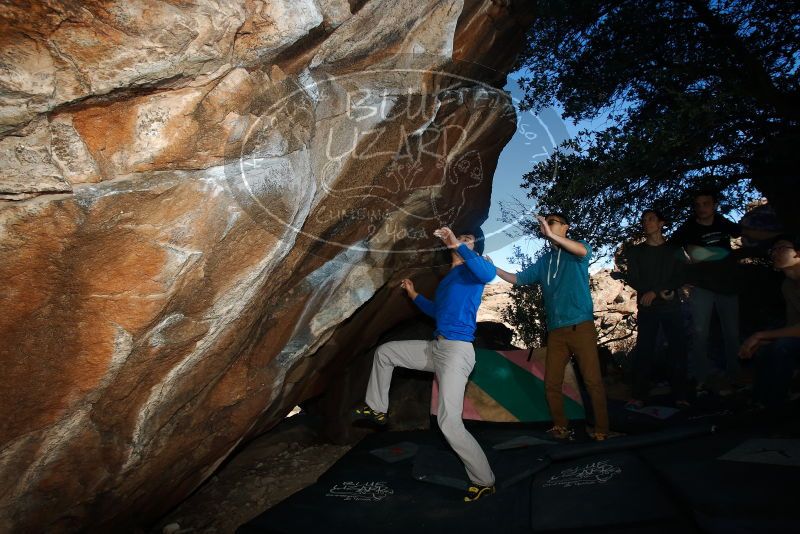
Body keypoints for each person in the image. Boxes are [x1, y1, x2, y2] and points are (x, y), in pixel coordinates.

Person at [352, 226, 497, 502]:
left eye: (468, 240)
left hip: (457, 351)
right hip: (436, 347)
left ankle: (484, 480)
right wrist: (413, 294)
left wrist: (458, 243)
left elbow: (489, 275)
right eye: (460, 238)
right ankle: (378, 408)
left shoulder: (475, 271)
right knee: (386, 352)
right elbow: (436, 311)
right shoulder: (449, 280)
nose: (461, 241)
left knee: (448, 422)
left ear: (474, 249)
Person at [494, 213, 609, 441]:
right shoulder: (545, 261)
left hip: (580, 326)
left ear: (566, 227)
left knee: (592, 380)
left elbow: (582, 251)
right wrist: (492, 268)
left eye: (552, 222)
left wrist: (552, 235)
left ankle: (602, 430)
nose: (546, 225)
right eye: (544, 223)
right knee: (552, 383)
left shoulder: (578, 251)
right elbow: (518, 279)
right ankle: (560, 426)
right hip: (555, 331)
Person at [670, 189, 742, 390]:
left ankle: (735, 376)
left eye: (706, 203)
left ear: (714, 205)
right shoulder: (689, 227)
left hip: (728, 285)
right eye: (698, 204)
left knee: (732, 333)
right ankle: (702, 378)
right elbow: (672, 247)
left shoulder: (722, 222)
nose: (702, 208)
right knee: (700, 334)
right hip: (702, 287)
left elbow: (742, 233)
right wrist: (687, 264)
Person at [621, 209, 689, 409]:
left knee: (677, 349)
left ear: (661, 223)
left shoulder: (674, 249)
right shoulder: (636, 251)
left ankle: (681, 395)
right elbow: (633, 278)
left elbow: (681, 275)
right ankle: (639, 394)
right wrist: (650, 292)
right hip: (647, 308)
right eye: (643, 220)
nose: (646, 222)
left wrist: (658, 291)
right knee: (645, 350)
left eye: (650, 219)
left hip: (671, 307)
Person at [739, 235, 800, 408]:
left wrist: (760, 335)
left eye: (781, 248)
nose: (774, 253)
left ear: (798, 253)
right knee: (765, 350)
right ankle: (759, 403)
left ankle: (776, 406)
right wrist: (762, 341)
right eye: (772, 250)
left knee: (783, 347)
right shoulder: (787, 285)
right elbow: (792, 325)